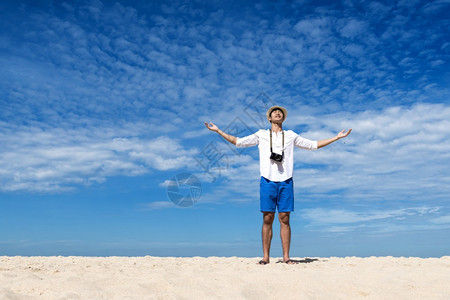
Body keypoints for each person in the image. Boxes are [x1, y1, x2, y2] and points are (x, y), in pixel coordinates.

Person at [205, 106, 351, 264]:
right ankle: (266, 257)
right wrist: (218, 131)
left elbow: (313, 145)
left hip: (286, 180)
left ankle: (286, 257)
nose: (277, 113)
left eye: (280, 112)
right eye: (274, 112)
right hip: (267, 180)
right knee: (267, 218)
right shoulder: (261, 134)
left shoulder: (290, 135)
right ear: (269, 118)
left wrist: (336, 138)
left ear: (283, 118)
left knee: (285, 218)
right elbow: (238, 142)